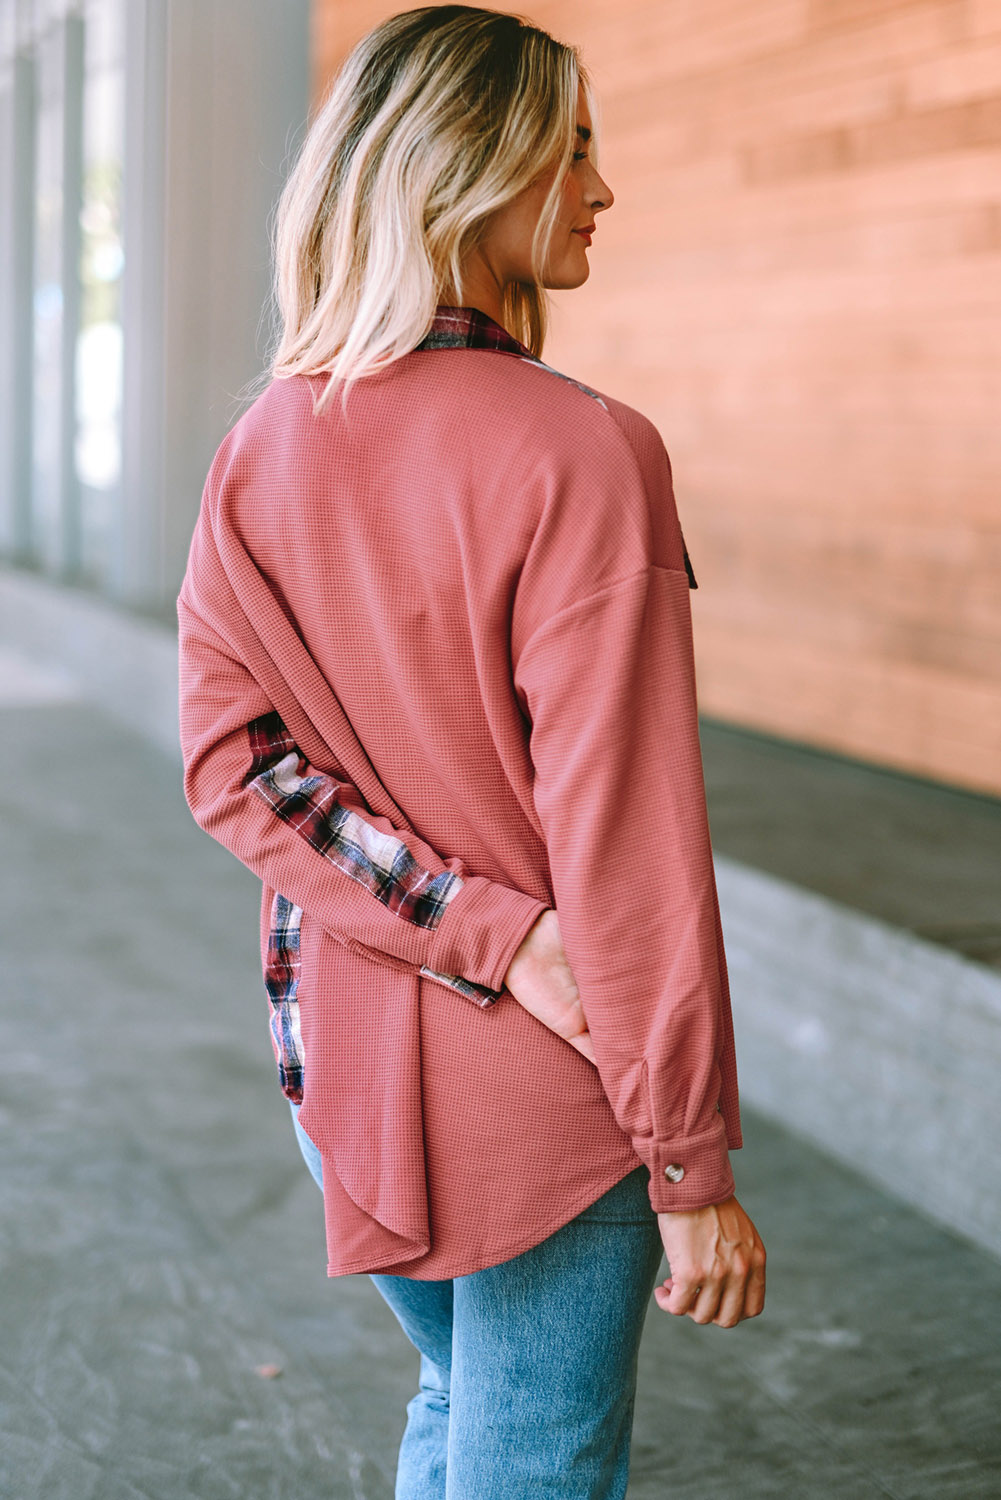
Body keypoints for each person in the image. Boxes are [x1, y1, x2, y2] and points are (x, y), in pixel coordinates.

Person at [176, 6, 766, 1495]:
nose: (602, 189)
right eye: (573, 151)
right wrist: (687, 1159)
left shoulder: (263, 447)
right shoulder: (585, 449)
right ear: (470, 168)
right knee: (530, 1464)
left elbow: (236, 770)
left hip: (339, 1076)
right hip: (542, 1097)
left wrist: (462, 922)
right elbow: (627, 840)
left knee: (456, 1403)